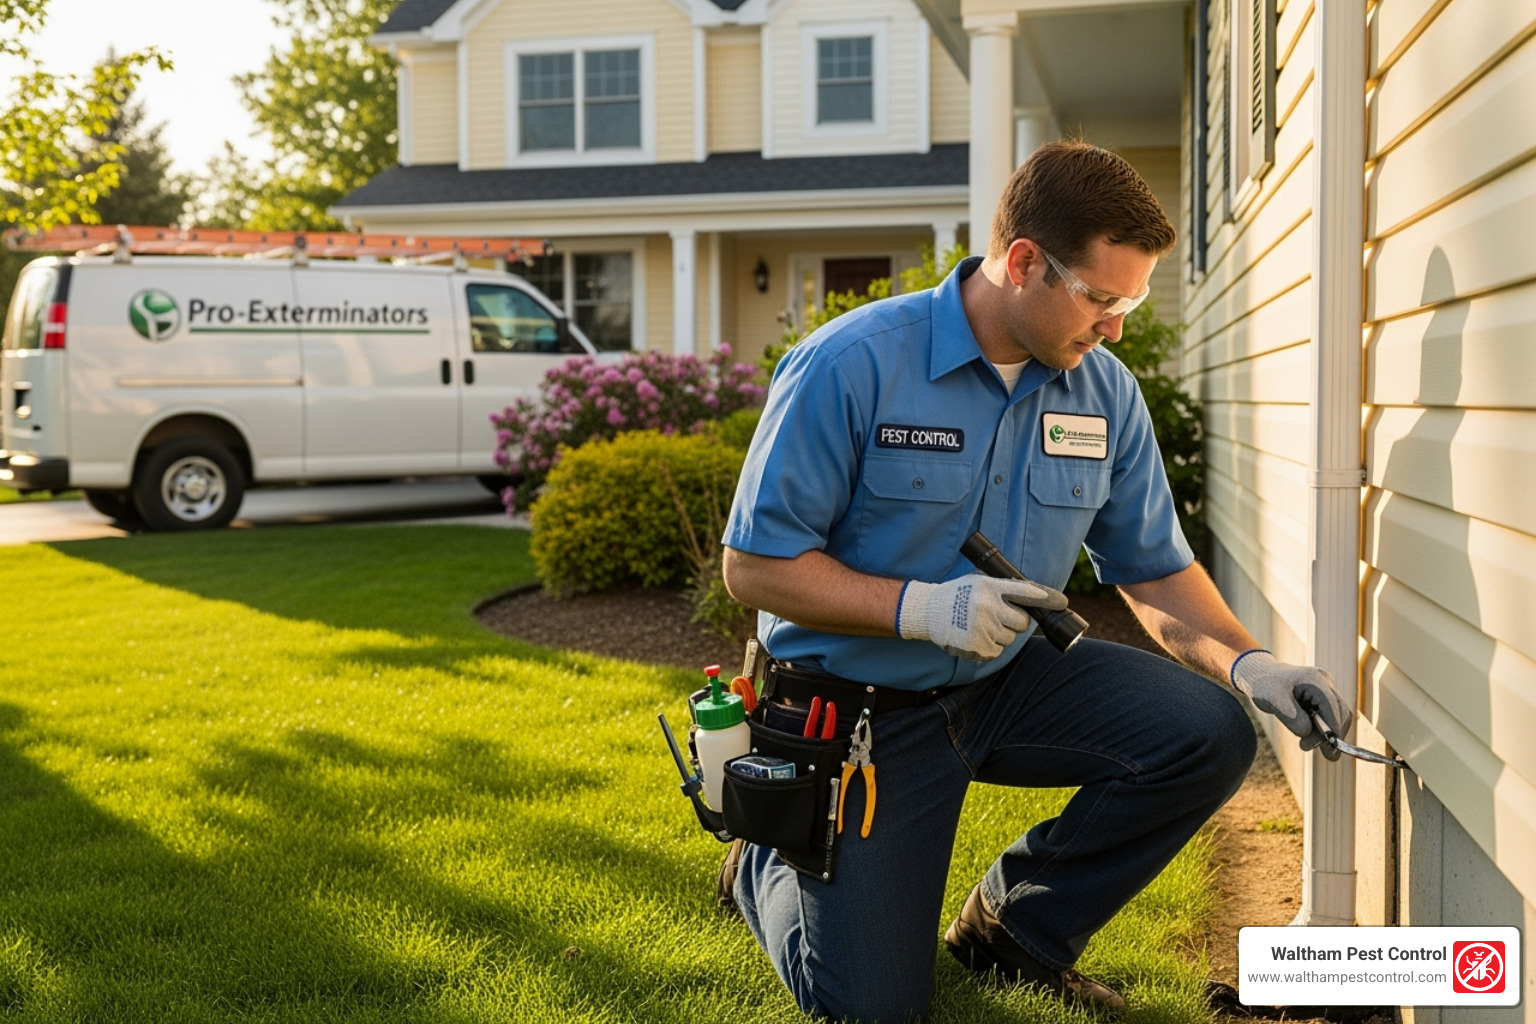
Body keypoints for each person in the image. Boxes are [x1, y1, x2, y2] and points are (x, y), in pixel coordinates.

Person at [717, 140, 1355, 1023]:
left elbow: (1153, 566)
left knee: (1206, 731)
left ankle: (1017, 928)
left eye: (1130, 299)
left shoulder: (1103, 393)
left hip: (1007, 680)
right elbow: (753, 566)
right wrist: (923, 608)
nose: (1117, 326)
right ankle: (766, 860)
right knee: (875, 1009)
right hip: (859, 709)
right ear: (1023, 263)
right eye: (1101, 297)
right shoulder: (853, 364)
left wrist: (1252, 668)